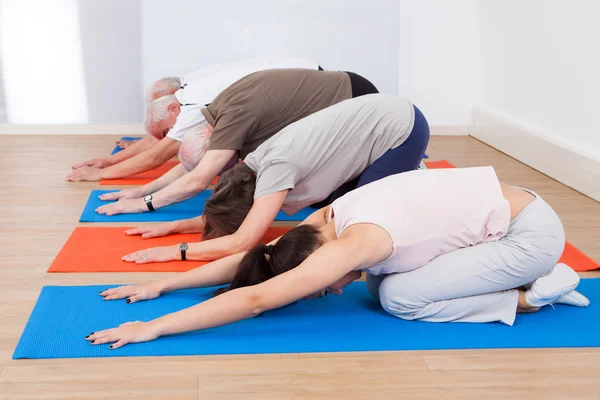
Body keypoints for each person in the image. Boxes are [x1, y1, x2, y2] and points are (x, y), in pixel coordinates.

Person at [86, 166, 589, 349]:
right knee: (378, 285)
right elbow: (258, 258)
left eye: (322, 283)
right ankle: (523, 284)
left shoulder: (356, 242)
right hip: (503, 212)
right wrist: (164, 284)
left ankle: (532, 294)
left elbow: (259, 299)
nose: (332, 288)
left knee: (398, 297)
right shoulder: (327, 219)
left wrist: (155, 327)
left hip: (529, 236)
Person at [119, 94, 429, 263]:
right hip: (378, 116)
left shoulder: (277, 169)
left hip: (401, 129)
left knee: (360, 220)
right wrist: (173, 226)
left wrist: (176, 252)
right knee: (336, 208)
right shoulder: (250, 170)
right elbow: (229, 209)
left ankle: (414, 180)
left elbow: (242, 241)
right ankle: (404, 176)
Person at [94, 68, 379, 215]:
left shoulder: (231, 122)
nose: (221, 171)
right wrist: (140, 191)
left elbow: (198, 180)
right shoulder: (213, 116)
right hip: (345, 88)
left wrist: (144, 205)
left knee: (335, 199)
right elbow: (190, 166)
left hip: (355, 97)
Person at [65, 55, 322, 182]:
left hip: (311, 84)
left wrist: (100, 174)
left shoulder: (191, 106)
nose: (168, 137)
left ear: (172, 109)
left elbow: (158, 155)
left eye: (167, 131)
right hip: (302, 77)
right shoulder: (186, 98)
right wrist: (109, 160)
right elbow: (161, 140)